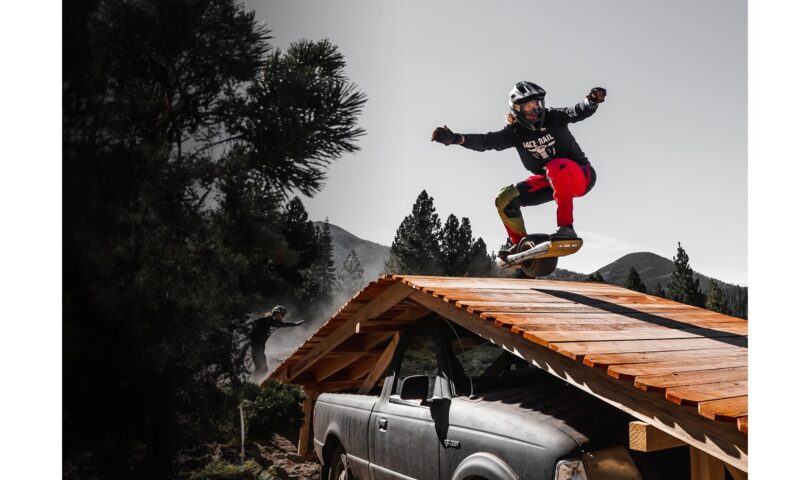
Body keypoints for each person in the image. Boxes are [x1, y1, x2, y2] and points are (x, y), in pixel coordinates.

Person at [431, 81, 606, 260]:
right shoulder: (515, 133)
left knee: (555, 166)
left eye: (537, 105)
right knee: (505, 198)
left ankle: (566, 227)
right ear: (516, 110)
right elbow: (487, 141)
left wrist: (591, 100)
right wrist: (457, 139)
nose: (535, 111)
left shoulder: (554, 117)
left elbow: (577, 111)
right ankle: (520, 246)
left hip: (581, 175)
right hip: (550, 181)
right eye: (528, 107)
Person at [249, 305, 304, 376]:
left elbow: (286, 324)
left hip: (261, 347)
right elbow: (252, 324)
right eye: (278, 315)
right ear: (274, 314)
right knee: (261, 368)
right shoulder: (266, 320)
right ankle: (250, 384)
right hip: (255, 346)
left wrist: (296, 324)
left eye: (282, 315)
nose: (280, 317)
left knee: (264, 370)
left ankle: (252, 382)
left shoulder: (278, 323)